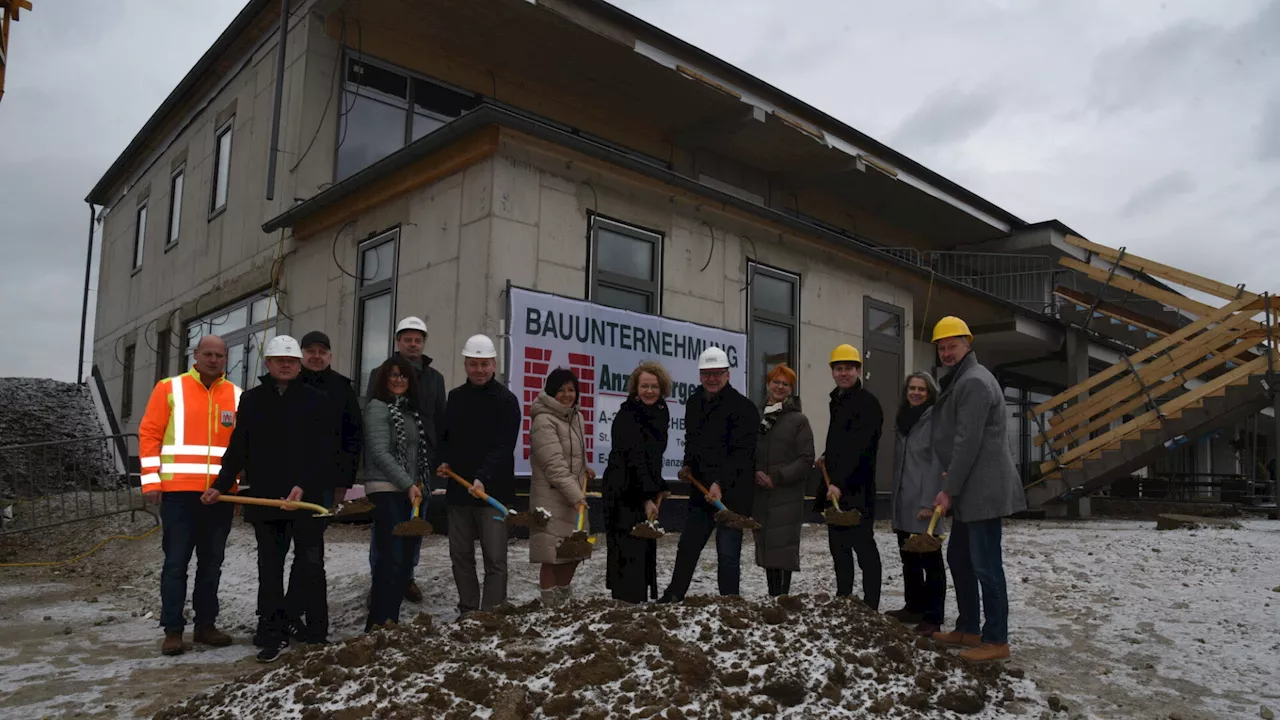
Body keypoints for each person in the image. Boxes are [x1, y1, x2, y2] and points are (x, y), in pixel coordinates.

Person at [202, 335, 331, 662]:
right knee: (270, 567)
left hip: (307, 499)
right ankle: (271, 629)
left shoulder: (316, 399)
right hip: (266, 499)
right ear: (269, 364)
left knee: (310, 565)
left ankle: (313, 629)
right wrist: (221, 483)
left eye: (291, 361)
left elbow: (323, 451)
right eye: (278, 360)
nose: (285, 365)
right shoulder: (253, 400)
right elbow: (238, 449)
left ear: (299, 365)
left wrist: (303, 484)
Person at [928, 316, 1028, 662]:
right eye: (941, 347)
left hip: (981, 490)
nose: (946, 352)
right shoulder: (964, 379)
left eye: (952, 345)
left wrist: (948, 490)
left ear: (967, 344)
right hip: (971, 487)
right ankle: (969, 628)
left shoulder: (973, 382)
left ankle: (996, 639)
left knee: (986, 565)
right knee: (959, 557)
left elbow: (966, 442)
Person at [138, 334, 241, 657]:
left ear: (226, 358)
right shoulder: (170, 388)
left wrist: (233, 490)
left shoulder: (236, 395)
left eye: (219, 355)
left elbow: (242, 448)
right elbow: (150, 433)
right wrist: (150, 482)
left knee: (212, 565)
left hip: (220, 496)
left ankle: (205, 625)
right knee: (175, 564)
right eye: (207, 354)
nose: (213, 360)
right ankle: (172, 629)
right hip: (179, 493)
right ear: (195, 355)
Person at [659, 347, 760, 602]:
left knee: (727, 552)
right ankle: (674, 594)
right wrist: (687, 465)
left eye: (717, 373)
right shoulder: (694, 403)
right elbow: (692, 442)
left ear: (727, 374)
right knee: (688, 545)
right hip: (700, 491)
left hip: (731, 495)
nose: (711, 379)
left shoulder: (743, 408)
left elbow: (742, 454)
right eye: (706, 374)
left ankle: (729, 602)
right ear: (700, 375)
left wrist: (720, 483)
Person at [282, 330, 361, 641]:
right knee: (283, 551)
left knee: (310, 551)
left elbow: (353, 438)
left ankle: (310, 621)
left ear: (329, 355)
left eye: (322, 351)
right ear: (302, 354)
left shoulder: (341, 388)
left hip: (324, 483)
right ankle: (285, 614)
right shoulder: (289, 385)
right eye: (310, 351)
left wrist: (344, 481)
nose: (316, 356)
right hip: (284, 480)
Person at [436, 334, 521, 614]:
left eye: (484, 364)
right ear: (466, 364)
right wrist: (443, 461)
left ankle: (493, 612)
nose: (479, 370)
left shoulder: (507, 401)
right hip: (460, 493)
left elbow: (503, 446)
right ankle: (469, 610)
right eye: (473, 364)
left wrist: (483, 476)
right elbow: (445, 437)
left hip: (493, 492)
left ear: (494, 364)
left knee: (495, 558)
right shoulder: (456, 397)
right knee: (460, 555)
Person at [365, 316, 445, 603]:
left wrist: (437, 460)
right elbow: (375, 421)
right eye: (407, 339)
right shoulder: (380, 372)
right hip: (389, 471)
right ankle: (381, 580)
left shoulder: (435, 378)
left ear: (423, 343)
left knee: (416, 523)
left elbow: (439, 419)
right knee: (386, 529)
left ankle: (407, 576)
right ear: (398, 342)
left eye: (418, 339)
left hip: (422, 464)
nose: (413, 344)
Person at [361, 355, 431, 630]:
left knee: (403, 560)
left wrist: (418, 481)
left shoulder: (409, 411)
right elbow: (379, 452)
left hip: (407, 489)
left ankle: (391, 620)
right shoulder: (378, 408)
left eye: (403, 375)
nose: (398, 380)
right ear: (383, 379)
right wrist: (407, 482)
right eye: (393, 375)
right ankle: (379, 623)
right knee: (391, 558)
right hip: (385, 488)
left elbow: (416, 451)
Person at [820, 343, 883, 608]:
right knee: (839, 548)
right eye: (839, 368)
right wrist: (827, 456)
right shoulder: (838, 399)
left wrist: (839, 483)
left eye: (849, 368)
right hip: (836, 487)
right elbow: (842, 442)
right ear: (833, 372)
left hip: (857, 489)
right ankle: (843, 596)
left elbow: (860, 448)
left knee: (863, 547)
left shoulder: (867, 403)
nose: (843, 373)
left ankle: (870, 605)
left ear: (858, 370)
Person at [604, 362, 671, 604]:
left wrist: (657, 487)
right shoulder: (627, 416)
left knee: (643, 549)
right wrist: (646, 498)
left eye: (654, 386)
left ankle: (639, 603)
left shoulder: (661, 412)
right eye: (645, 386)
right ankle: (626, 606)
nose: (649, 391)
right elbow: (634, 459)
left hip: (644, 486)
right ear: (635, 388)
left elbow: (653, 457)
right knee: (628, 550)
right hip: (623, 490)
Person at [887, 371, 946, 636]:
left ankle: (933, 617)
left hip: (924, 503)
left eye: (922, 389)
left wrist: (929, 501)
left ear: (930, 393)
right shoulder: (903, 420)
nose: (916, 392)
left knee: (930, 561)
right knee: (908, 558)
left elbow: (938, 461)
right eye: (912, 388)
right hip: (903, 499)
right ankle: (914, 606)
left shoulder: (935, 419)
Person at [528, 368, 594, 607]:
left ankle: (562, 595)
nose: (567, 395)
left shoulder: (576, 417)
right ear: (550, 392)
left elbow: (573, 455)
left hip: (573, 494)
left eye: (571, 390)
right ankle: (550, 604)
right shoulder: (543, 420)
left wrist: (584, 469)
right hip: (551, 497)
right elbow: (554, 466)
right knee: (553, 554)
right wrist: (577, 496)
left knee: (574, 552)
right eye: (561, 390)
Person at [751, 363, 814, 597]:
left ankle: (783, 597)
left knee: (783, 548)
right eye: (775, 382)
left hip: (786, 493)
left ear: (791, 388)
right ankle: (772, 594)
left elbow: (806, 459)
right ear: (768, 384)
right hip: (762, 493)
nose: (779, 387)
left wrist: (777, 477)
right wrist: (755, 471)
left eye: (785, 384)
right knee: (767, 545)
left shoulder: (799, 420)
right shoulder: (758, 416)